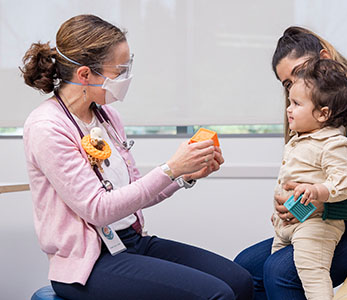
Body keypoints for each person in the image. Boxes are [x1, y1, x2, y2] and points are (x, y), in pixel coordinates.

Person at [21, 14, 253, 300]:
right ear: (84, 75)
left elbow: (134, 195)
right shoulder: (47, 127)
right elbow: (98, 209)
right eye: (120, 70)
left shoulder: (106, 117)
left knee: (240, 281)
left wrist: (184, 175)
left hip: (130, 241)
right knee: (216, 295)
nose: (127, 77)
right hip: (91, 263)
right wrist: (170, 168)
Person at [234, 26, 347, 300]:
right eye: (287, 84)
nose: (295, 86)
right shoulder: (310, 126)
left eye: (300, 72)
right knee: (245, 268)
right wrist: (292, 207)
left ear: (326, 58)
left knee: (280, 269)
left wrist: (323, 206)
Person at [271, 58, 347, 300]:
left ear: (323, 113)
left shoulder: (335, 144)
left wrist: (319, 191)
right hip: (288, 224)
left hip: (316, 226)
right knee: (272, 271)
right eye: (290, 102)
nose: (289, 109)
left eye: (296, 103)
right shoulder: (301, 139)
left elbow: (345, 183)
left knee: (312, 275)